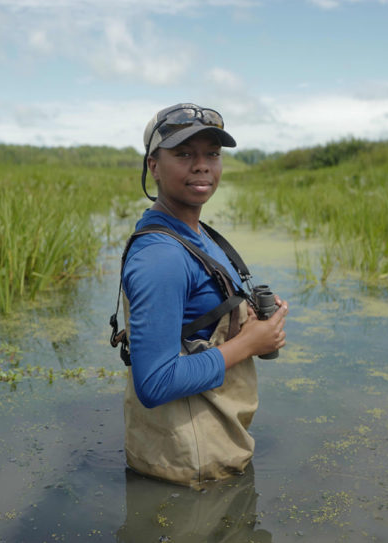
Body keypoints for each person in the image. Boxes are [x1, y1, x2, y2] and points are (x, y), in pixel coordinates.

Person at [109, 102, 289, 486]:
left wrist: (253, 325)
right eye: (184, 154)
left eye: (212, 154)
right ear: (153, 166)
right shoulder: (161, 256)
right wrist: (248, 344)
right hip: (188, 471)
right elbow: (154, 383)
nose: (202, 165)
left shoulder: (193, 231)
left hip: (209, 454)